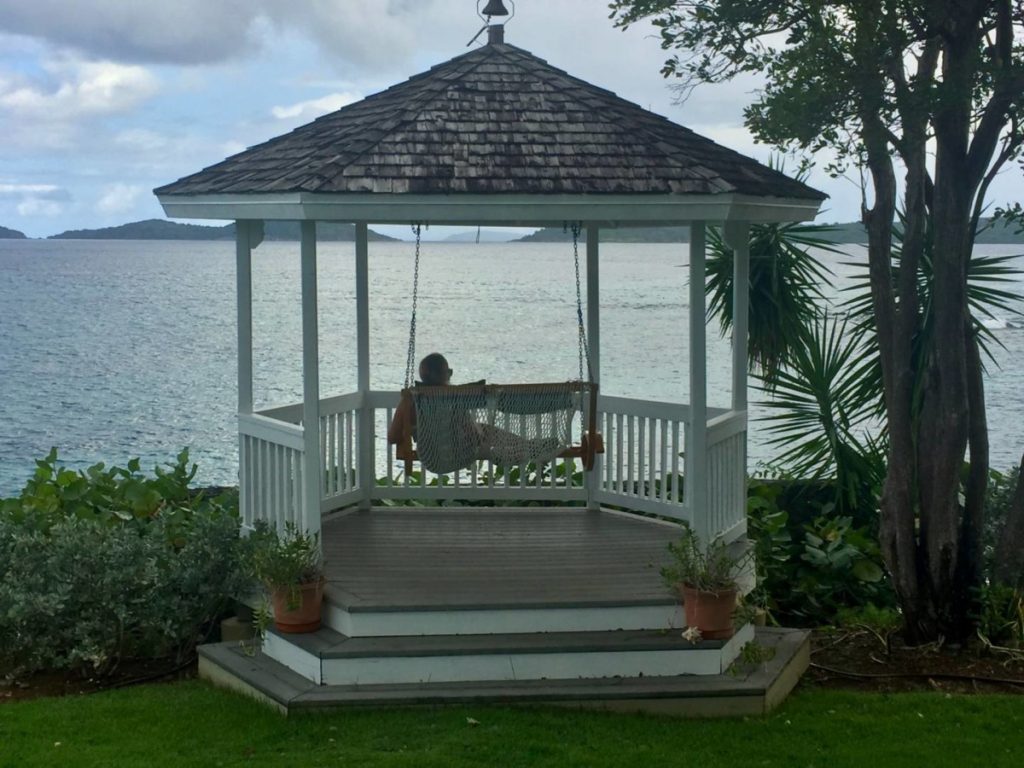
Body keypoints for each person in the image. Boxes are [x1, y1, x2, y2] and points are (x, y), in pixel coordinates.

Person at [387, 353, 561, 466]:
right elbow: (473, 436)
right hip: (459, 456)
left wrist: (417, 431)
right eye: (449, 372)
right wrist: (477, 434)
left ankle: (524, 448)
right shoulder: (453, 399)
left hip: (430, 458)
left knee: (483, 430)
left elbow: (393, 437)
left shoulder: (410, 400)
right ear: (444, 375)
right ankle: (527, 448)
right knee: (484, 431)